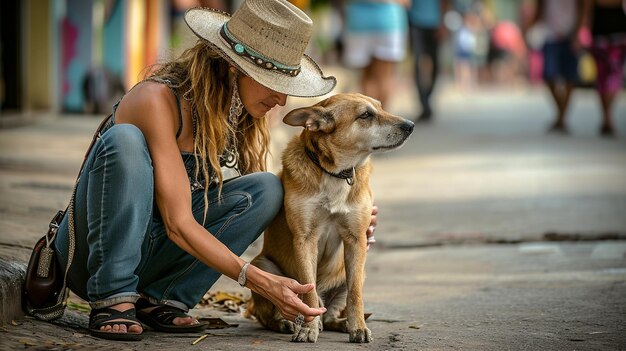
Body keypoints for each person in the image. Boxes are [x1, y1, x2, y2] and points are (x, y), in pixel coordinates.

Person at [51, 0, 377, 341]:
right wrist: (257, 278)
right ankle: (113, 295)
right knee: (126, 140)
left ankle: (162, 297)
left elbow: (272, 213)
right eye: (273, 82)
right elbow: (178, 223)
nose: (281, 100)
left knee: (267, 190)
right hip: (92, 255)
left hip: (151, 253)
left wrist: (347, 216)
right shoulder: (157, 100)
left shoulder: (233, 116)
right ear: (235, 68)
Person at [341, 0, 409, 109]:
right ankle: (382, 115)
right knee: (386, 76)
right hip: (388, 21)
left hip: (359, 21)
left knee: (367, 76)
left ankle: (371, 116)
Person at [530, 0, 584, 134]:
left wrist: (577, 33)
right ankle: (561, 114)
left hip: (570, 35)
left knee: (570, 77)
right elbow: (539, 9)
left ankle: (561, 117)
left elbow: (582, 9)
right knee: (549, 76)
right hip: (550, 35)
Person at [579, 0, 626, 137]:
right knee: (609, 77)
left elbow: (586, 12)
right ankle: (607, 116)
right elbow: (586, 12)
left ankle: (607, 116)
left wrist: (582, 30)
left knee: (607, 77)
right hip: (606, 34)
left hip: (612, 34)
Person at [407, 0, 448, 122]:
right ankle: (424, 103)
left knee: (436, 64)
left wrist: (442, 22)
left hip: (435, 24)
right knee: (418, 62)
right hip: (414, 23)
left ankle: (428, 96)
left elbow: (445, 3)